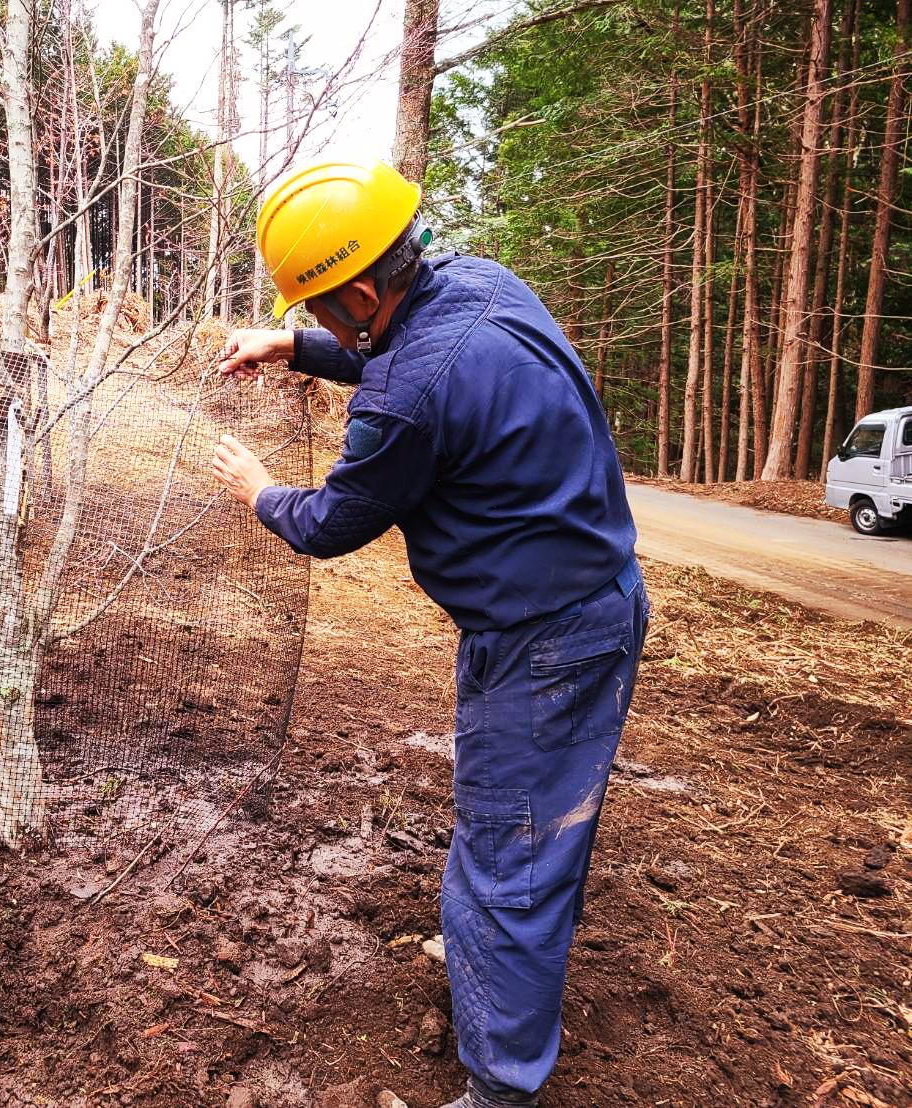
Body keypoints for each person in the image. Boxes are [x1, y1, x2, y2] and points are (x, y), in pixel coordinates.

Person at [211, 160, 648, 1108]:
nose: (329, 328)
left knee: (512, 852)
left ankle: (499, 1087)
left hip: (545, 642)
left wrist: (259, 493)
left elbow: (332, 521)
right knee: (519, 831)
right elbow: (410, 355)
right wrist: (296, 347)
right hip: (588, 601)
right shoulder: (485, 283)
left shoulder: (406, 397)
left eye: (326, 313)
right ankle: (498, 962)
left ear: (363, 290)